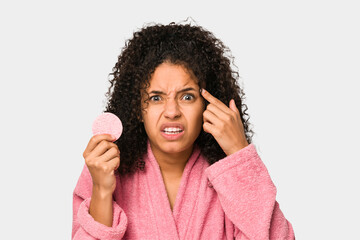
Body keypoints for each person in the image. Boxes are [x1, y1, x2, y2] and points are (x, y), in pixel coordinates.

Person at [72, 21, 295, 239]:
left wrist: (239, 152)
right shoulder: (106, 167)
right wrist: (101, 190)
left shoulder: (232, 176)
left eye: (187, 97)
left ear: (206, 106)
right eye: (156, 98)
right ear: (137, 108)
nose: (172, 111)